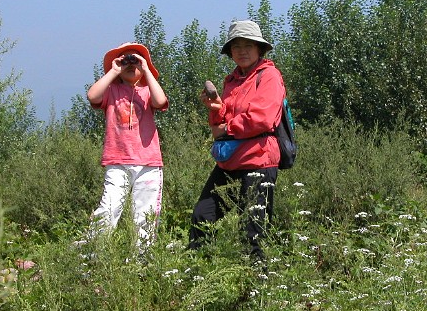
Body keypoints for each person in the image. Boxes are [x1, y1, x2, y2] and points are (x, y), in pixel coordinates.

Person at [188, 20, 286, 266]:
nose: (242, 51)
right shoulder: (231, 80)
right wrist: (215, 109)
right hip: (230, 162)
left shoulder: (270, 76)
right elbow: (219, 123)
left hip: (259, 159)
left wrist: (226, 129)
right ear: (230, 52)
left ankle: (256, 286)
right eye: (236, 46)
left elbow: (261, 119)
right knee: (203, 215)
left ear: (259, 49)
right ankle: (195, 272)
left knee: (253, 226)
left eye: (248, 45)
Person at [83, 42, 169, 256]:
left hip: (148, 163)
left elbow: (161, 101)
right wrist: (114, 70)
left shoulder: (148, 91)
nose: (131, 65)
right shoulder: (112, 90)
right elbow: (93, 96)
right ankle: (94, 254)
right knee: (109, 208)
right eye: (125, 61)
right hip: (117, 161)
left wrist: (147, 70)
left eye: (136, 61)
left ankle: (142, 260)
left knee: (145, 214)